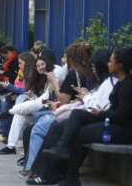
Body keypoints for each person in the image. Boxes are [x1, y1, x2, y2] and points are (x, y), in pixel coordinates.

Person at [42, 47, 132, 186]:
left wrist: (101, 114)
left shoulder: (127, 86)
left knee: (79, 133)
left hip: (121, 130)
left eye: (111, 61)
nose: (108, 64)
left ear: (120, 65)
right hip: (111, 122)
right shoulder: (121, 83)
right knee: (78, 114)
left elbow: (122, 115)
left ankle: (71, 178)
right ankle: (62, 148)